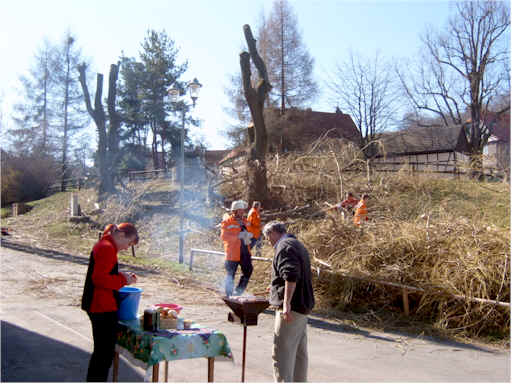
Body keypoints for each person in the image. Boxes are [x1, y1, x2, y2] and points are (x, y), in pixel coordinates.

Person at [81, 223, 139, 382]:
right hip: (101, 306)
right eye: (128, 243)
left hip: (99, 304)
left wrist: (119, 274)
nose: (127, 248)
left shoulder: (105, 244)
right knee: (103, 355)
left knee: (102, 353)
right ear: (121, 235)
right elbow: (99, 279)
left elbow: (103, 271)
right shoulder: (107, 247)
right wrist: (122, 279)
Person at [262, 221, 315, 382]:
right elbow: (290, 275)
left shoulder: (283, 246)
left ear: (272, 233)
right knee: (299, 353)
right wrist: (274, 288)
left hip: (292, 309)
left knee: (282, 353)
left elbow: (291, 274)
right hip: (302, 307)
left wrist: (286, 303)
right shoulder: (295, 243)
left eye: (267, 238)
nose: (268, 242)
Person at [220, 200, 253, 296]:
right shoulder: (227, 222)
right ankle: (229, 295)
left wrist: (249, 236)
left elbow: (251, 233)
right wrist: (237, 237)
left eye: (243, 210)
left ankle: (238, 292)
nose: (243, 212)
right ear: (234, 211)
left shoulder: (245, 221)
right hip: (232, 253)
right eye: (240, 210)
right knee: (230, 275)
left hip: (245, 252)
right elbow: (224, 237)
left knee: (248, 271)